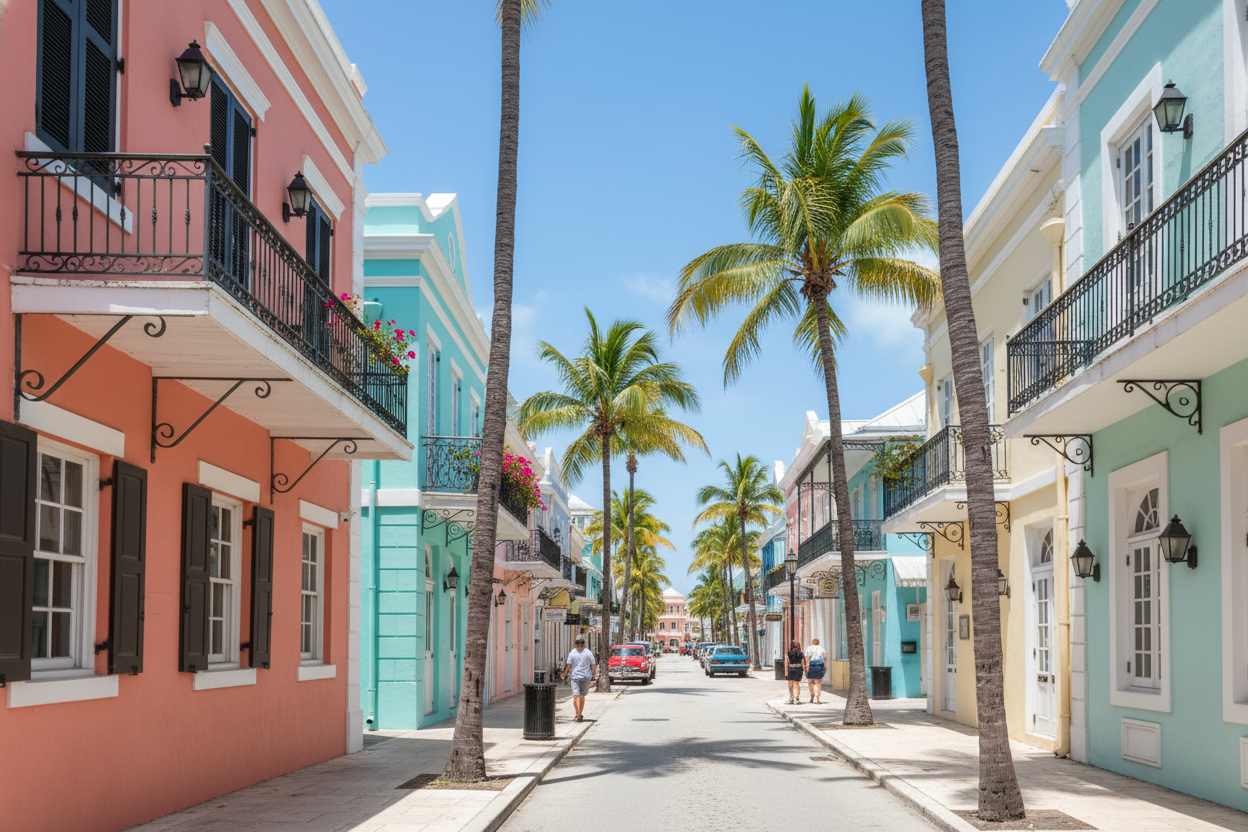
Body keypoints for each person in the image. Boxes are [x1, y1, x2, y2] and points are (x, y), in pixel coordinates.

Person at [563, 635, 597, 722]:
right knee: (576, 696)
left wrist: (594, 675)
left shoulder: (588, 653)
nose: (579, 646)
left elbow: (593, 665)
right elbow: (569, 665)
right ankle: (577, 714)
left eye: (581, 644)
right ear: (575, 645)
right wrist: (564, 674)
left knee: (581, 696)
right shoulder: (573, 653)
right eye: (578, 645)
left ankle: (579, 713)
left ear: (584, 644)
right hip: (575, 677)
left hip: (585, 677)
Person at [805, 638, 827, 704]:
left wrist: (806, 669)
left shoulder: (809, 648)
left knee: (811, 682)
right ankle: (818, 699)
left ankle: (812, 697)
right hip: (820, 665)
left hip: (812, 666)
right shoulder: (821, 648)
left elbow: (807, 659)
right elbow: (825, 658)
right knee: (818, 683)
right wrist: (825, 667)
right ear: (818, 643)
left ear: (812, 643)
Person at [784, 639, 806, 705]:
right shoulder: (800, 653)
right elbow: (803, 663)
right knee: (796, 683)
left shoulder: (789, 652)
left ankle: (792, 697)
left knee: (791, 683)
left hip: (791, 668)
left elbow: (786, 661)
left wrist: (786, 671)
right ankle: (797, 698)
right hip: (798, 668)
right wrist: (805, 671)